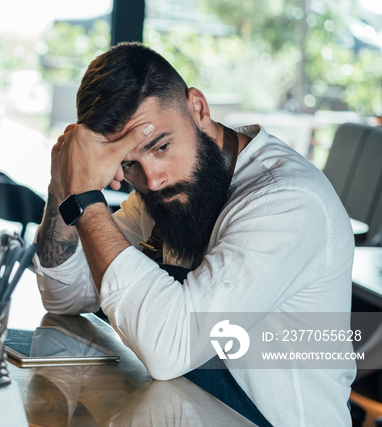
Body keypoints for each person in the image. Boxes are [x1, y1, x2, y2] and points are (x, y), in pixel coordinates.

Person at [33, 42, 356, 426]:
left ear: (198, 109)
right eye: (129, 164)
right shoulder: (167, 194)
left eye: (162, 146)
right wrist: (62, 186)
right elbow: (65, 295)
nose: (153, 178)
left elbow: (171, 346)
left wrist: (86, 198)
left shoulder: (287, 201)